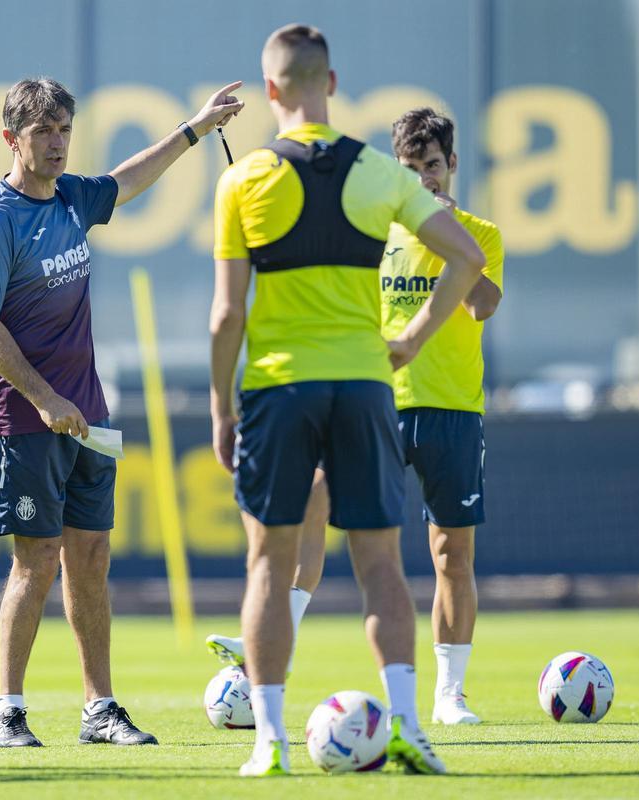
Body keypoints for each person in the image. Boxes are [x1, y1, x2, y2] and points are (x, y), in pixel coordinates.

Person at [209, 25, 485, 776]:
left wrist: (221, 410)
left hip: (279, 388)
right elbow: (467, 258)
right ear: (330, 85)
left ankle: (269, 742)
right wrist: (412, 340)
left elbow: (227, 316)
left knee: (269, 566)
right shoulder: (381, 174)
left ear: (271, 90)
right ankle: (408, 727)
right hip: (365, 386)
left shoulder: (244, 179)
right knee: (381, 565)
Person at [0, 76, 242, 748]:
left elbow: (128, 179)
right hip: (22, 418)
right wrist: (44, 398)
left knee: (90, 557)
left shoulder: (71, 197)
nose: (57, 142)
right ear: (11, 140)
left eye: (64, 129)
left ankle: (100, 710)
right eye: (42, 132)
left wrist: (195, 128)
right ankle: (7, 713)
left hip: (87, 417)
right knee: (35, 561)